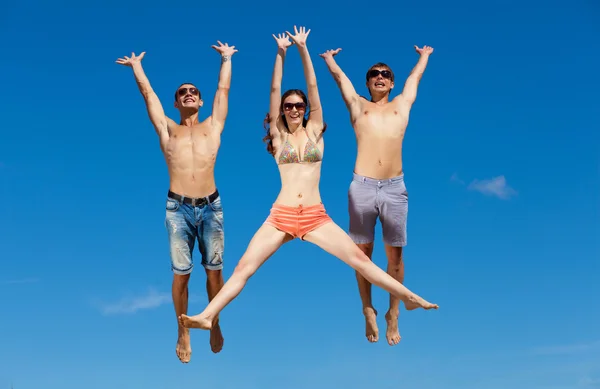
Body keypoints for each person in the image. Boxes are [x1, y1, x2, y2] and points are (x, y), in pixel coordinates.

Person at [178, 27, 438, 335]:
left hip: (315, 216)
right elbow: (274, 90)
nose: (293, 109)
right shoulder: (278, 137)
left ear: (305, 110)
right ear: (282, 111)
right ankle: (208, 316)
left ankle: (407, 297)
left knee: (360, 261)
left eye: (298, 106)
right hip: (281, 215)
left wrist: (303, 48)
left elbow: (313, 86)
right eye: (288, 106)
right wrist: (281, 53)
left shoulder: (315, 130)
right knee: (243, 268)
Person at [115, 40, 238, 363]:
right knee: (181, 275)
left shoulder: (213, 126)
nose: (188, 94)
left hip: (211, 207)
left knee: (215, 272)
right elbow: (149, 97)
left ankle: (213, 320)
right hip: (178, 209)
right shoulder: (168, 130)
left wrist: (226, 59)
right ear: (176, 101)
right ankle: (182, 330)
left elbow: (223, 92)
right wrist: (137, 67)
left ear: (199, 100)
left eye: (193, 91)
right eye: (182, 91)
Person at [319, 44, 434, 345]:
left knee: (395, 255)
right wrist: (330, 60)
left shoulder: (401, 105)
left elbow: (415, 80)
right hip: (363, 186)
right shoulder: (358, 106)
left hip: (395, 187)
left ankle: (393, 312)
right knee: (362, 255)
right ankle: (367, 307)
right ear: (368, 82)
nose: (380, 77)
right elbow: (341, 81)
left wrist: (423, 57)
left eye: (385, 74)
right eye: (374, 74)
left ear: (392, 82)